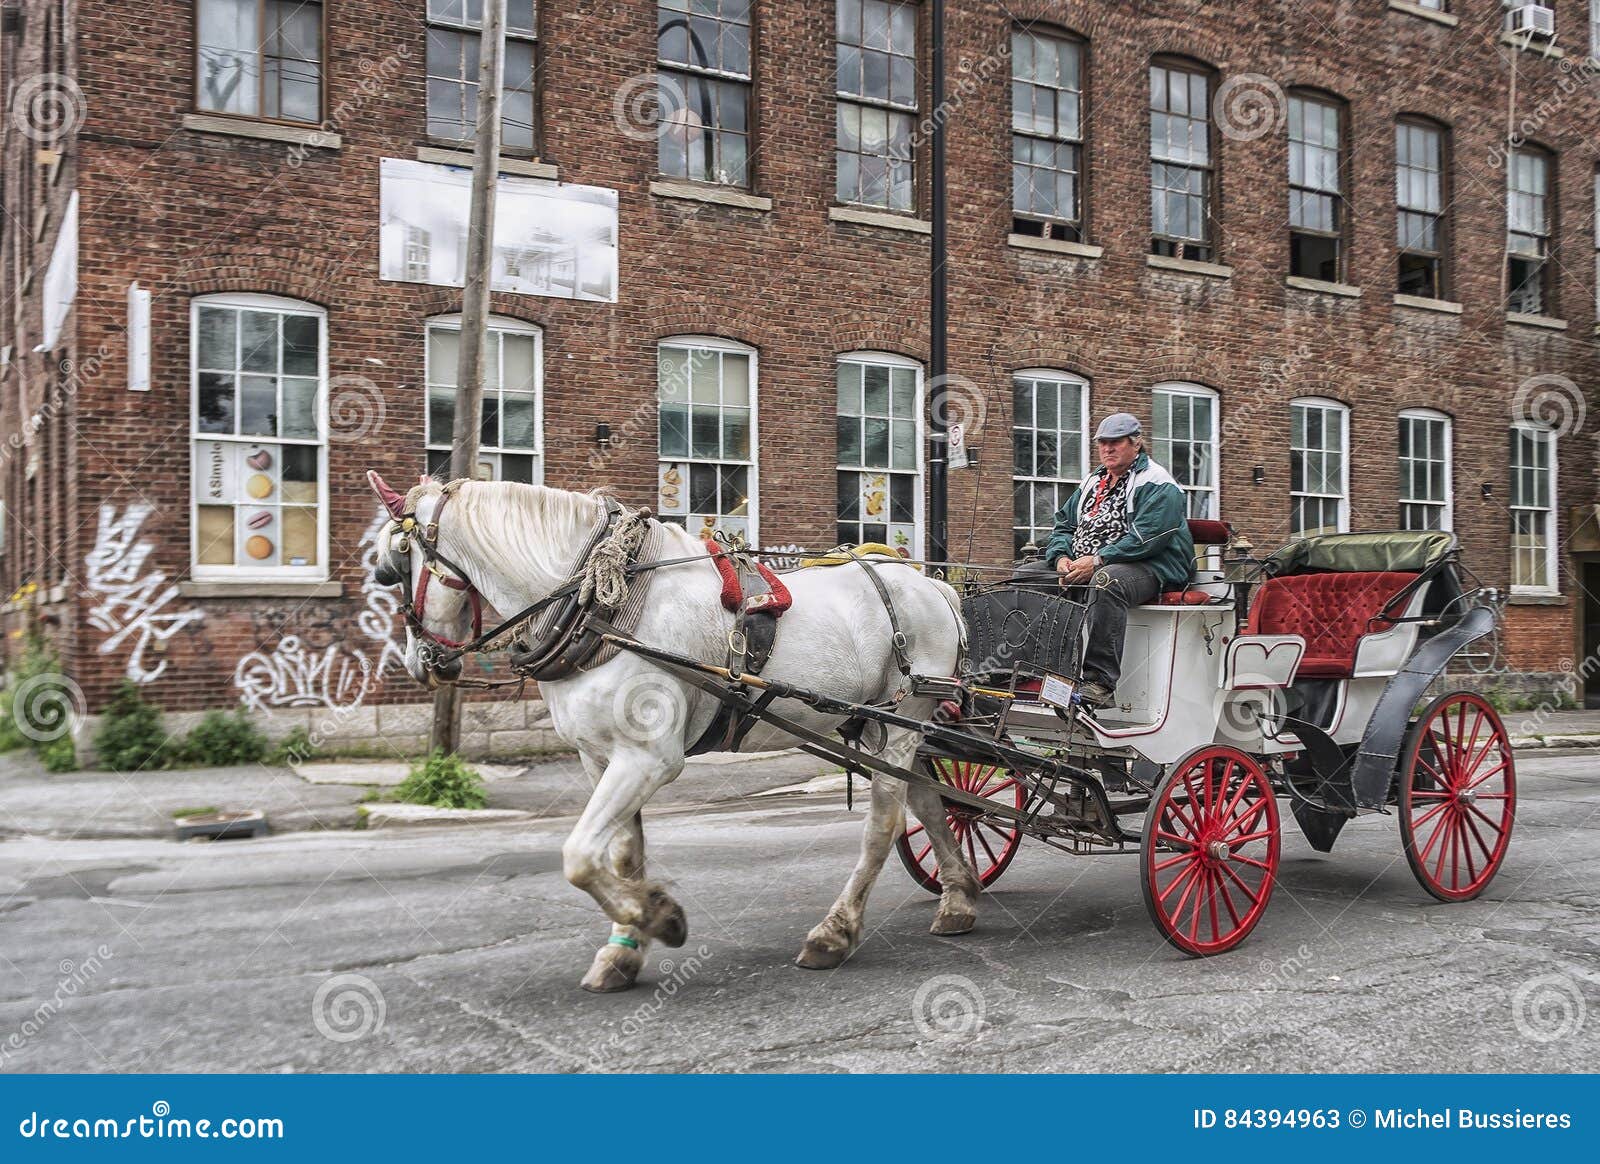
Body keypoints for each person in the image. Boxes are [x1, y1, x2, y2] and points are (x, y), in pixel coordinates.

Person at [1043, 412, 1196, 709]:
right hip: (1088, 561)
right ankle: (1035, 670)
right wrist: (1061, 557)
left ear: (1136, 444)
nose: (1107, 448)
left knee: (1107, 582)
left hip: (1153, 566)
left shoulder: (1158, 482)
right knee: (1028, 575)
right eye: (1102, 443)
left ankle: (1099, 683)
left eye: (1116, 442)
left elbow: (1147, 538)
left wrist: (1096, 561)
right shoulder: (1093, 481)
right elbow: (1063, 525)